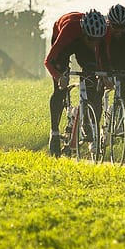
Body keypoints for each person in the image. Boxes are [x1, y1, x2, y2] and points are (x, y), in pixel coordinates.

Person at [43, 9, 108, 157]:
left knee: (92, 77)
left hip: (81, 43)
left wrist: (103, 77)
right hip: (66, 39)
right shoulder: (68, 31)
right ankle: (54, 132)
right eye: (91, 40)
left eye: (97, 40)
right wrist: (59, 77)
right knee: (60, 88)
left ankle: (88, 123)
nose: (94, 43)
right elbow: (48, 61)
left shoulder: (98, 37)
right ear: (85, 33)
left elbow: (102, 61)